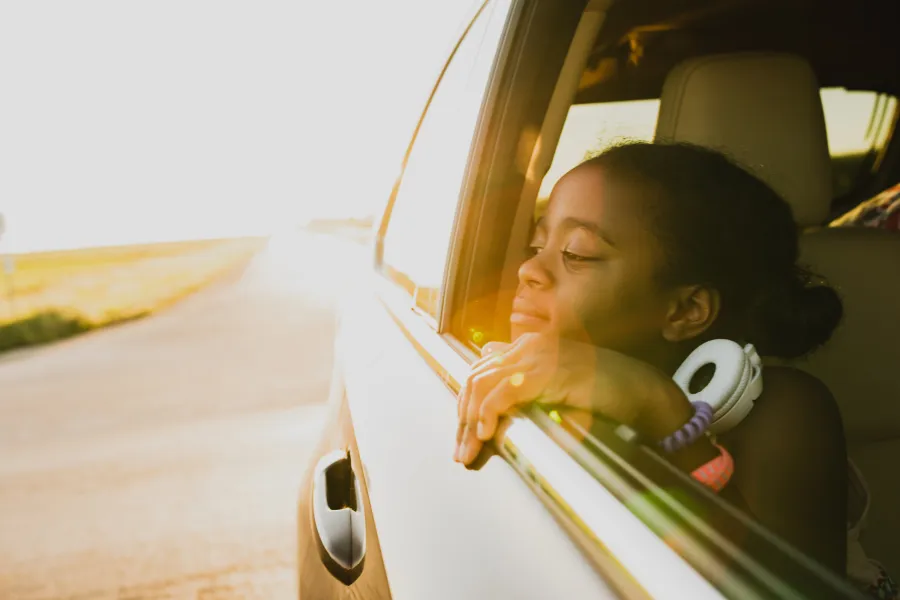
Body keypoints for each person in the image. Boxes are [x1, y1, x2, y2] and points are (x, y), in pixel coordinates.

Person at [452, 142, 896, 598]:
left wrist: (660, 409)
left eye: (577, 253)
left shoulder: (784, 410)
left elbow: (787, 590)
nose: (528, 269)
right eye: (536, 244)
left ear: (685, 310)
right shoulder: (526, 375)